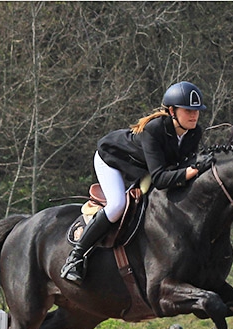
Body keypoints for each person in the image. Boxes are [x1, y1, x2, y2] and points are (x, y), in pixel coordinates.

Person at [61, 81, 213, 283]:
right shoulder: (155, 129)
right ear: (172, 111)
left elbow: (178, 166)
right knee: (117, 206)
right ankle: (74, 258)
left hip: (144, 168)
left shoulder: (194, 132)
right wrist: (192, 170)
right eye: (188, 110)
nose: (194, 115)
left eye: (196, 111)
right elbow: (160, 178)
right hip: (113, 160)